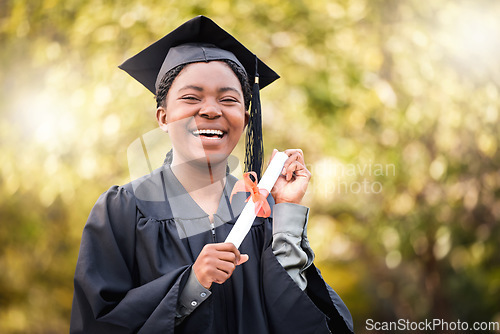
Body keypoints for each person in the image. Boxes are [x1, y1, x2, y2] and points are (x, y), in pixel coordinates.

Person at [70, 16, 353, 334]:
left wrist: (286, 211)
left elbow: (295, 320)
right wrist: (190, 286)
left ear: (245, 119)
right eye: (191, 98)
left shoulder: (263, 212)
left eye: (228, 99)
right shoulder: (122, 210)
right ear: (163, 117)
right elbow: (98, 323)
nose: (211, 110)